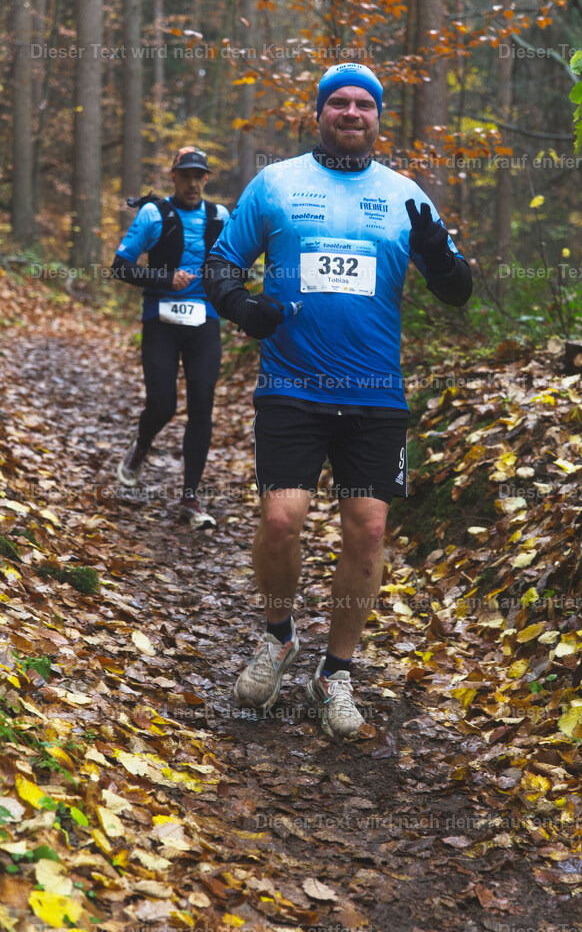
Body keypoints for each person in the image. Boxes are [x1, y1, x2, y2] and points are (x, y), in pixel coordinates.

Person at [203, 62, 472, 738]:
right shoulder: (277, 184)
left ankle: (337, 672)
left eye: (364, 105)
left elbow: (459, 292)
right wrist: (242, 308)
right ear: (319, 113)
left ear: (378, 118)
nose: (351, 113)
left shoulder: (407, 195)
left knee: (370, 531)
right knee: (282, 521)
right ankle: (278, 636)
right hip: (291, 386)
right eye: (339, 103)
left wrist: (440, 256)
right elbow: (218, 267)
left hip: (377, 394)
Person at [112, 146, 230, 529]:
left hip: (204, 323)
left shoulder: (220, 216)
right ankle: (140, 448)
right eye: (185, 176)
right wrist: (164, 279)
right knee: (163, 406)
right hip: (161, 321)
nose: (192, 183)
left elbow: (233, 265)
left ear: (207, 179)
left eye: (199, 176)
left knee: (202, 406)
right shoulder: (153, 214)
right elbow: (120, 267)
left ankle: (190, 497)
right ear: (174, 177)